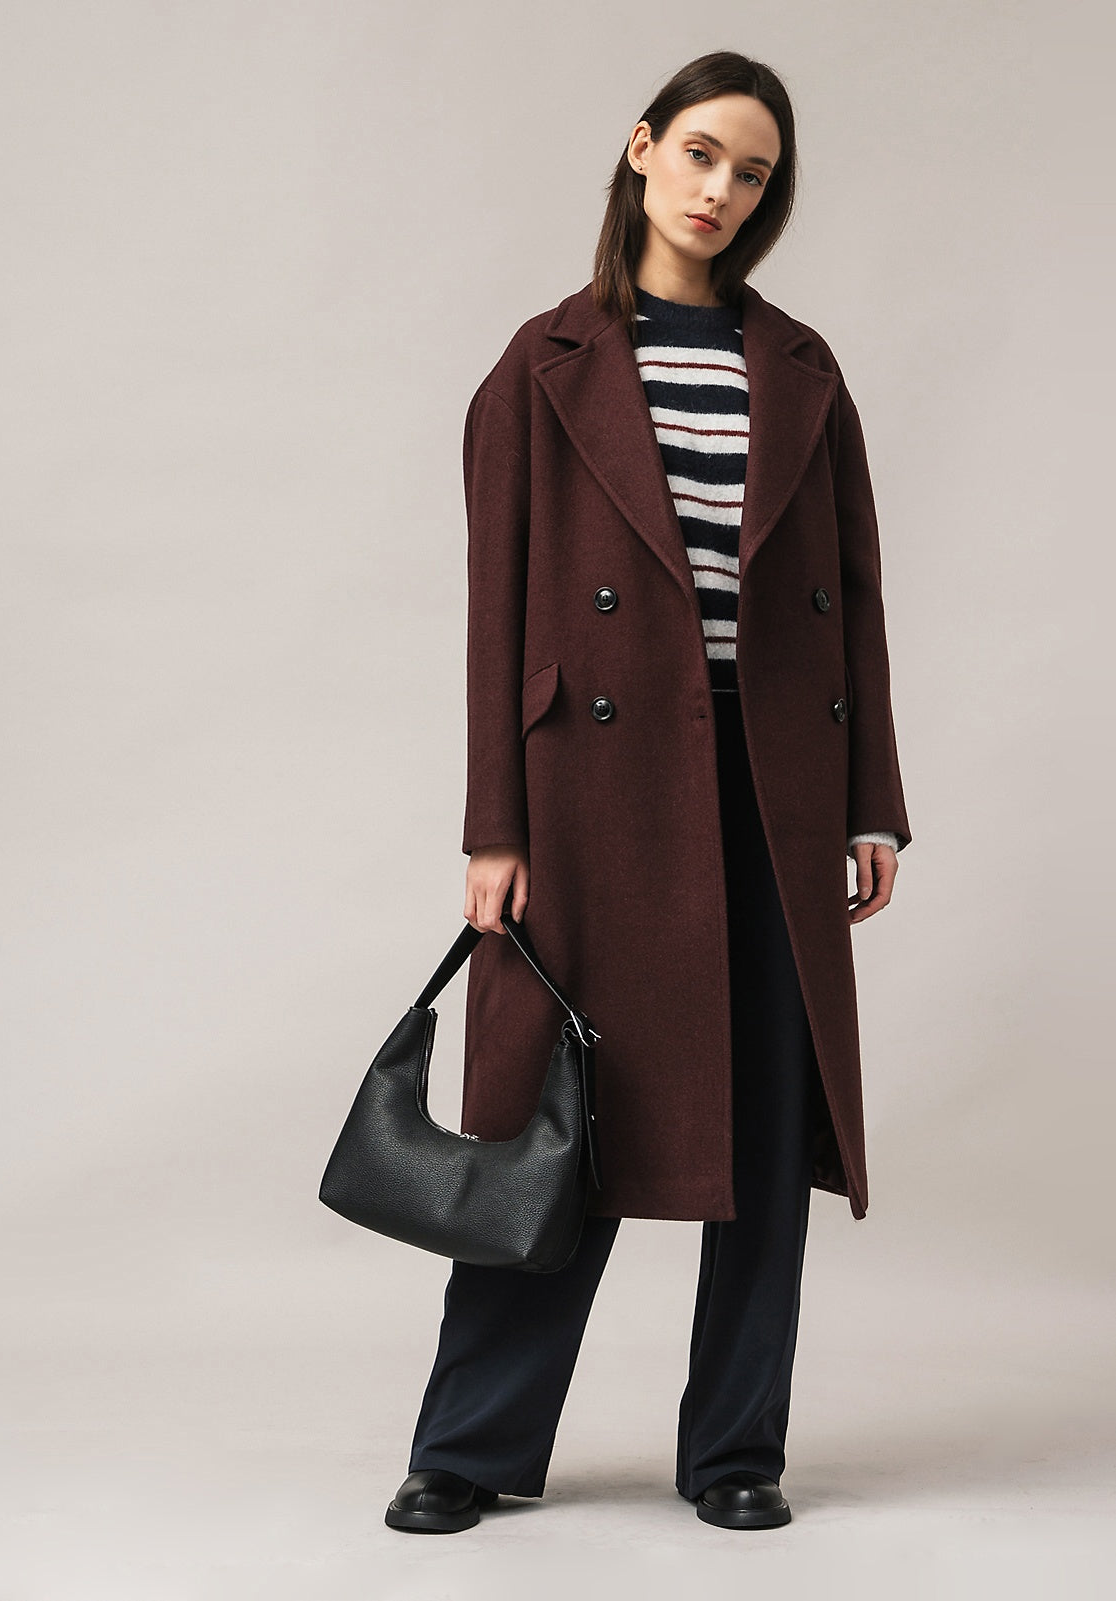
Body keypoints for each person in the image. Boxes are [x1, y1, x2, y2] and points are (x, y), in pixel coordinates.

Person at [385, 49, 912, 1535]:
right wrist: (493, 826)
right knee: (550, 1116)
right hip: (595, 791)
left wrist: (870, 798)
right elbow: (494, 611)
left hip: (774, 779)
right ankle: (468, 1445)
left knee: (764, 1119)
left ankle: (736, 1448)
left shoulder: (800, 368)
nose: (720, 191)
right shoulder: (542, 362)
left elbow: (854, 594)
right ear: (640, 149)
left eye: (752, 174)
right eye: (699, 154)